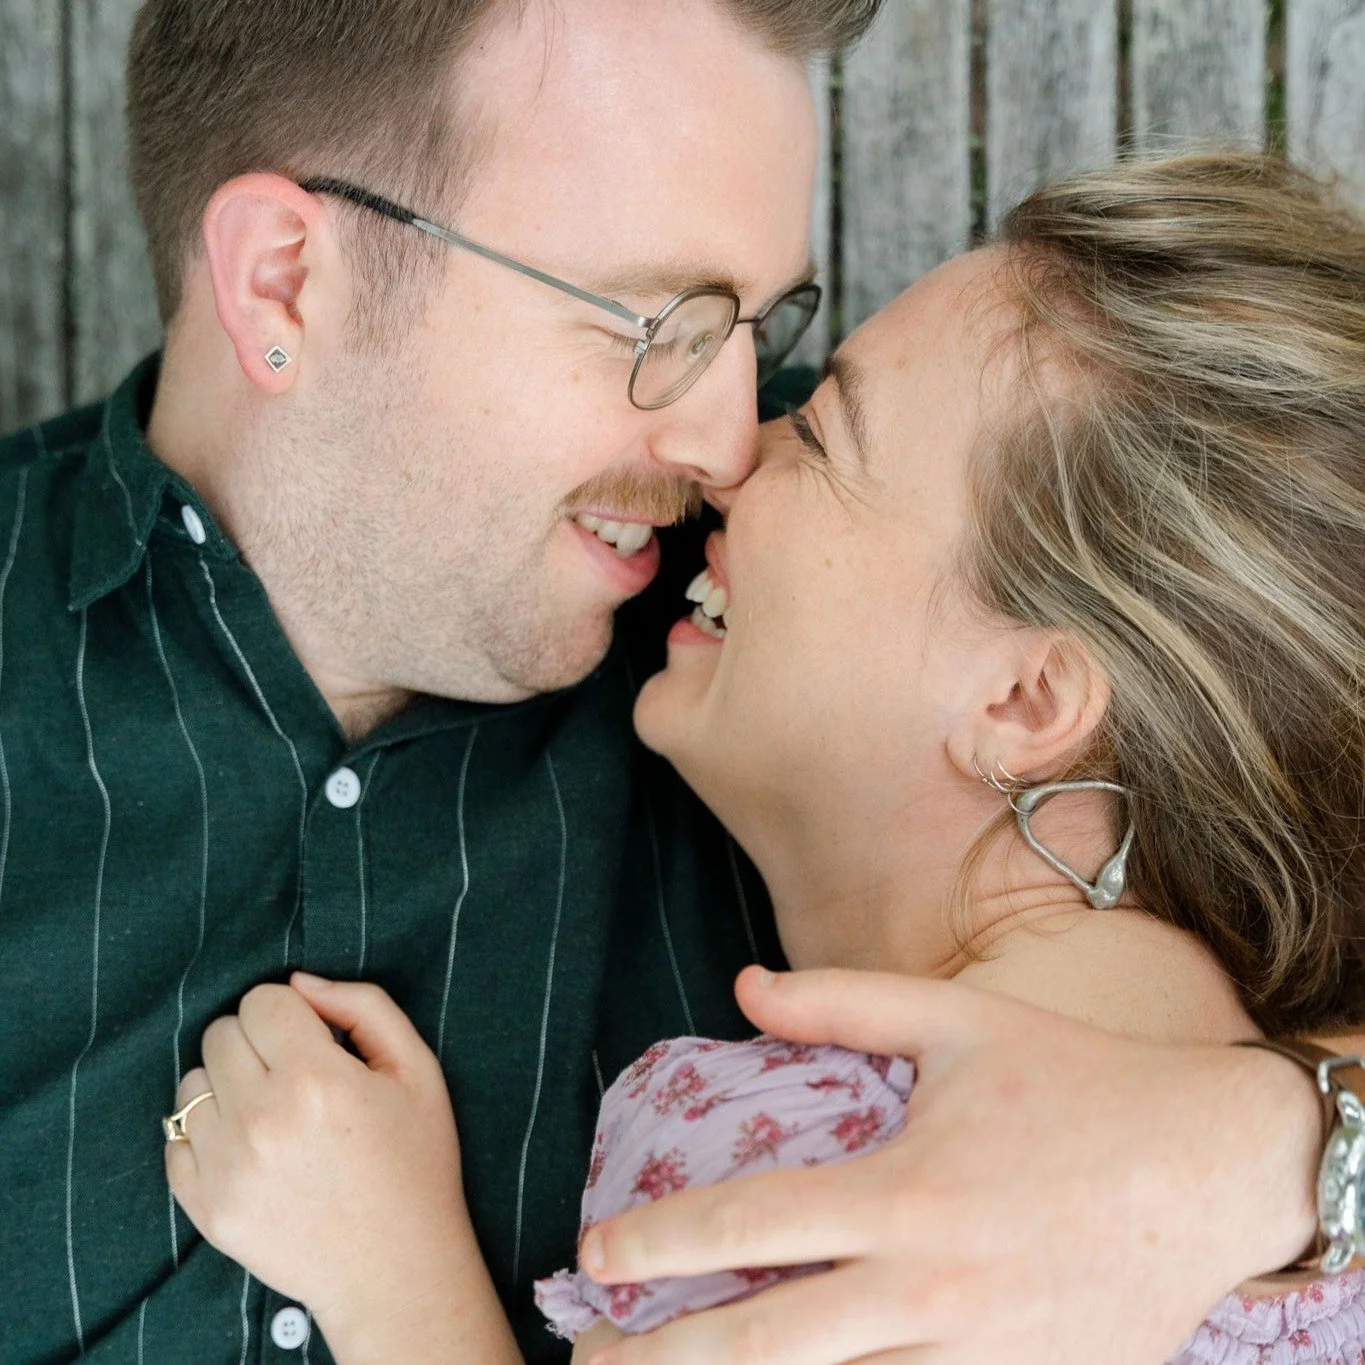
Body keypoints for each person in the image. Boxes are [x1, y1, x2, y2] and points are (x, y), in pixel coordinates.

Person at [161, 151, 1365, 1365]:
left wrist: (397, 1282)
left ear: (1026, 698)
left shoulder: (815, 1162)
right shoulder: (1273, 1099)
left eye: (829, 438)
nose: (739, 454)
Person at [0, 2, 877, 1362]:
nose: (727, 440)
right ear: (286, 279)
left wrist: (1286, 1146)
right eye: (659, 320)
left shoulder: (830, 588)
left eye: (759, 324)